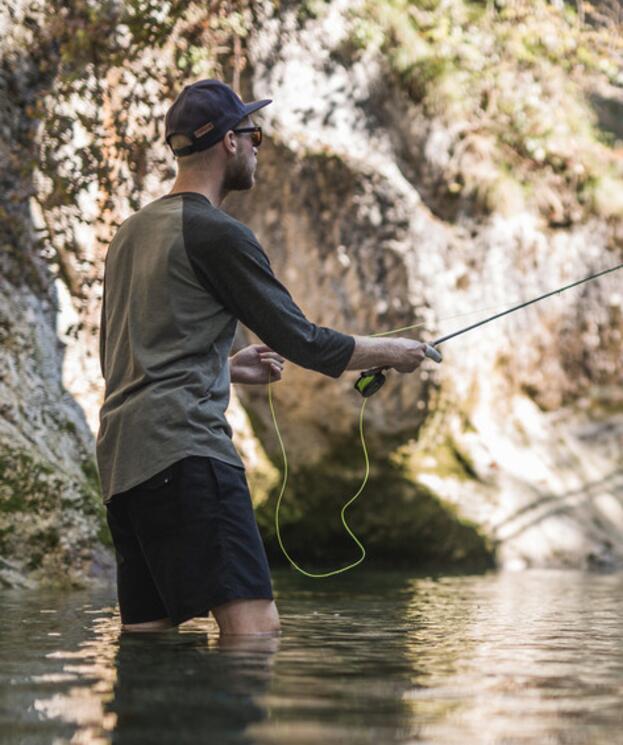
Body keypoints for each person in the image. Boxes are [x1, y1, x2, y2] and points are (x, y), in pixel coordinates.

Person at [97, 79, 428, 638]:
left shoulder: (129, 234)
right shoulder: (216, 234)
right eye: (253, 135)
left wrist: (226, 367)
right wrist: (393, 351)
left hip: (123, 469)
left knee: (148, 646)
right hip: (187, 455)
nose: (258, 146)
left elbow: (132, 363)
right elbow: (305, 341)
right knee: (255, 636)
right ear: (229, 142)